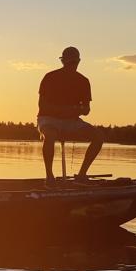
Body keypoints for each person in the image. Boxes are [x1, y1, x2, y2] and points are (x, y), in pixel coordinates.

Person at [37, 46, 104, 185]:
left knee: (98, 137)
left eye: (75, 62)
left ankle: (81, 175)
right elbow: (42, 106)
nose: (72, 65)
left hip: (72, 121)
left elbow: (86, 109)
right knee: (50, 135)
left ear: (79, 61)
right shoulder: (50, 77)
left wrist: (76, 110)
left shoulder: (83, 81)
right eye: (69, 62)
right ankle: (49, 176)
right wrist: (63, 110)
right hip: (49, 119)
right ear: (63, 61)